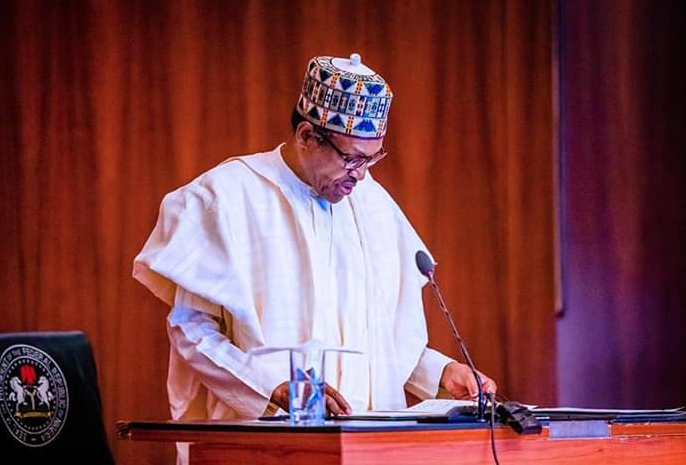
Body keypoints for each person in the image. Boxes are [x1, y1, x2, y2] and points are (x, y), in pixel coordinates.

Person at [133, 53, 496, 463]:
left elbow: (382, 339)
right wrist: (272, 387)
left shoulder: (373, 205)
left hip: (364, 450)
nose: (360, 174)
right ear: (307, 135)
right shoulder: (226, 197)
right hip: (261, 448)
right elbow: (191, 332)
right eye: (351, 158)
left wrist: (441, 374)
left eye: (372, 158)